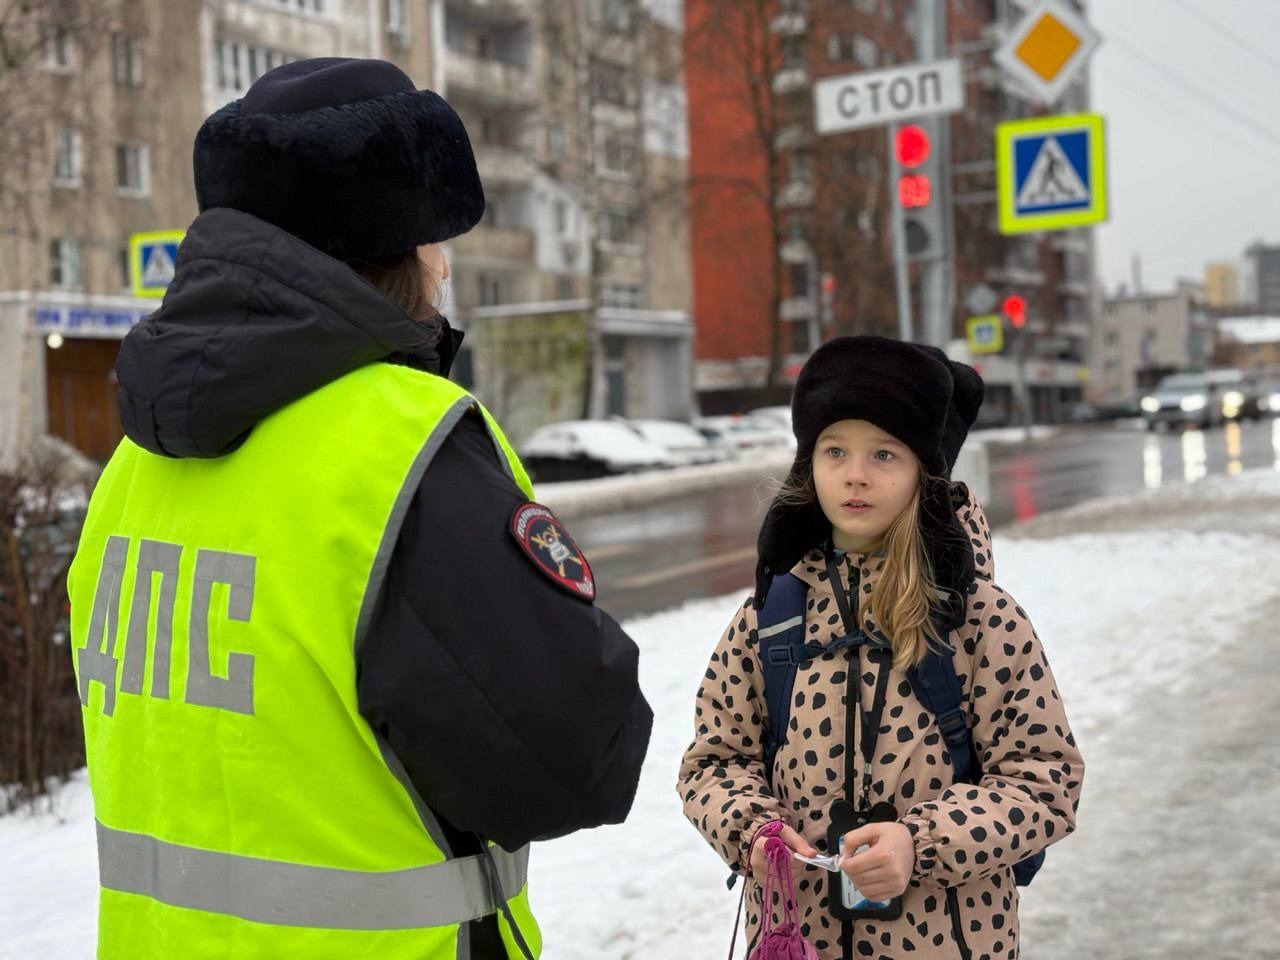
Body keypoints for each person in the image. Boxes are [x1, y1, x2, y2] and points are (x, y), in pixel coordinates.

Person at [67, 58, 652, 960]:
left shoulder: (130, 466)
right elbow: (578, 761)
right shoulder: (400, 449)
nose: (447, 265)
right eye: (436, 239)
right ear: (395, 251)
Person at [677, 336, 1083, 959]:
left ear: (926, 469)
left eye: (885, 454)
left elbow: (1045, 781)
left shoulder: (979, 620)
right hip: (798, 938)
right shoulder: (770, 620)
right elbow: (713, 763)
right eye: (834, 450)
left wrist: (919, 844)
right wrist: (754, 831)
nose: (855, 474)